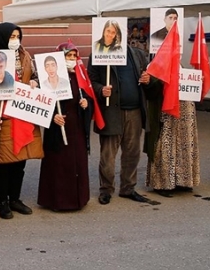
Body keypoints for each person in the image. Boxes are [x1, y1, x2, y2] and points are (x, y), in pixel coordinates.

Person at [88, 38, 159, 205]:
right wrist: (100, 90)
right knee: (108, 155)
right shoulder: (98, 55)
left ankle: (128, 188)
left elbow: (151, 80)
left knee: (132, 153)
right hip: (111, 111)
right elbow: (90, 81)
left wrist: (149, 80)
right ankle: (106, 189)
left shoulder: (138, 54)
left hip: (134, 111)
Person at [0, 23, 43, 219]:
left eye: (17, 36)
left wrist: (35, 81)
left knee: (20, 161)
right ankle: (2, 202)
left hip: (24, 114)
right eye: (11, 36)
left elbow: (35, 76)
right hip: (3, 115)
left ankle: (15, 198)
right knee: (4, 162)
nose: (15, 40)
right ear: (2, 38)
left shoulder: (26, 56)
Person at [37, 42, 92, 211]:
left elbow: (88, 97)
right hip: (57, 126)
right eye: (68, 56)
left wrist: (85, 103)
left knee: (77, 163)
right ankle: (57, 200)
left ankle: (78, 199)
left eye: (74, 56)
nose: (72, 60)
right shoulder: (47, 80)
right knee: (58, 164)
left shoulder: (80, 76)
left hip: (76, 128)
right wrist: (53, 115)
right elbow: (41, 101)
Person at [144, 90, 200, 198]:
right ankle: (162, 182)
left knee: (186, 140)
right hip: (166, 100)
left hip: (186, 101)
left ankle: (183, 179)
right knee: (166, 139)